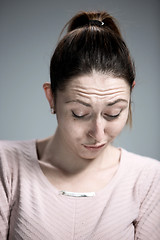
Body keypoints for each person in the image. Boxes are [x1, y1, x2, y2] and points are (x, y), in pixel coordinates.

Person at [0, 10, 160, 240]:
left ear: (130, 93)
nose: (98, 133)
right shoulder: (6, 167)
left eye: (113, 113)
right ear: (51, 97)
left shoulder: (149, 180)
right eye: (79, 113)